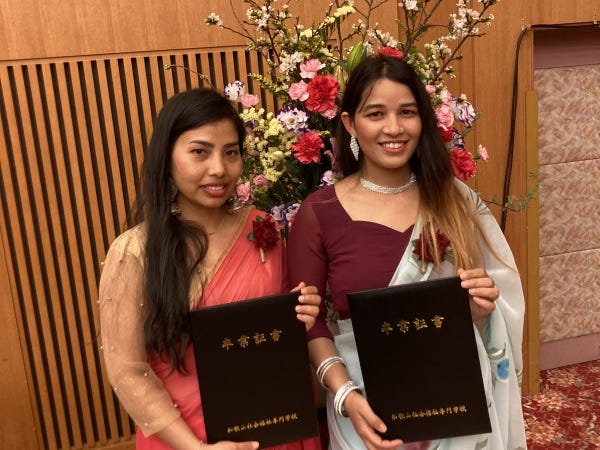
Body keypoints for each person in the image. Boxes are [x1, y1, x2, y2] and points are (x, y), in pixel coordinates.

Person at [287, 54, 527, 450]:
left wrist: (480, 312)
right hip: (363, 412)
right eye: (375, 114)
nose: (394, 128)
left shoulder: (454, 201)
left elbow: (481, 310)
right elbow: (308, 323)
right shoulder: (319, 212)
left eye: (407, 112)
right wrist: (345, 395)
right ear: (350, 123)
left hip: (452, 404)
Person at [98, 88, 323, 450]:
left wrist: (300, 313)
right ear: (166, 157)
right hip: (186, 438)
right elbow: (128, 371)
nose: (219, 169)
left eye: (230, 152)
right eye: (200, 152)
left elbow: (275, 333)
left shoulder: (262, 227)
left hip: (273, 426)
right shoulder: (135, 251)